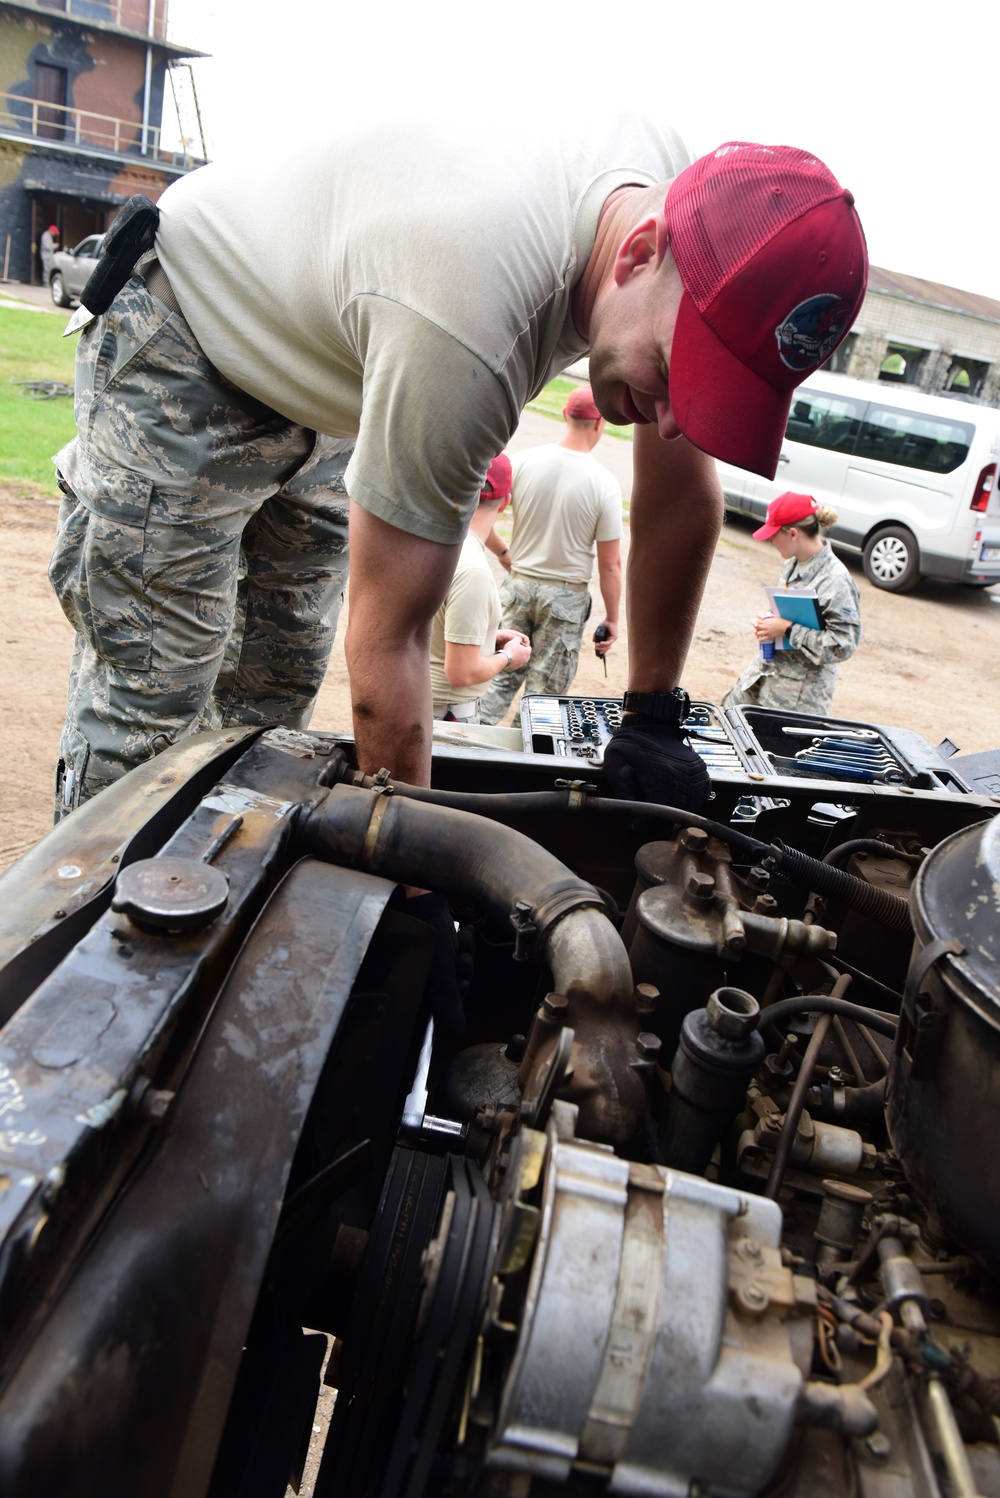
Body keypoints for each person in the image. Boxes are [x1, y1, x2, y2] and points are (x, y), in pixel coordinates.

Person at [48, 120, 867, 820]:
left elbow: (679, 491)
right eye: (676, 375)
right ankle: (77, 967)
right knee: (152, 695)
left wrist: (651, 710)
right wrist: (410, 885)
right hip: (191, 334)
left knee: (273, 688)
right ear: (637, 253)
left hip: (343, 368)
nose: (676, 421)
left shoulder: (705, 215)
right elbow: (390, 643)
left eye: (712, 397)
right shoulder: (470, 312)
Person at [479, 384, 621, 726]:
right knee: (544, 698)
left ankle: (466, 748)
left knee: (497, 678)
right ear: (599, 423)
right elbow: (610, 565)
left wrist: (504, 552)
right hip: (565, 597)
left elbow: (481, 510)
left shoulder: (523, 461)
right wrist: (612, 619)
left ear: (564, 415)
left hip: (519, 585)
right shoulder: (604, 483)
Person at [723, 491, 861, 715]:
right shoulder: (796, 563)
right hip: (766, 680)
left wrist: (787, 628)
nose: (770, 540)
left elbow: (843, 645)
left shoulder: (836, 581)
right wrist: (769, 622)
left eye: (774, 533)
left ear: (793, 534)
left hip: (796, 702)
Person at [430, 454, 531, 724]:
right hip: (446, 710)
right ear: (505, 502)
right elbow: (461, 673)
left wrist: (486, 636)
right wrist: (508, 656)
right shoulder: (473, 571)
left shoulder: (435, 542)